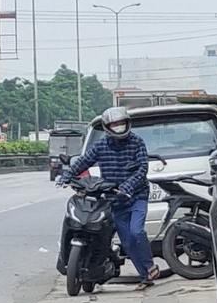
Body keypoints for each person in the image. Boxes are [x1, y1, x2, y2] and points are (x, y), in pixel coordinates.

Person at [59, 104, 156, 288]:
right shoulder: (101, 146)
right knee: (127, 241)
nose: (119, 127)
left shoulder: (137, 142)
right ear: (107, 127)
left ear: (128, 123)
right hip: (114, 200)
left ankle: (149, 264)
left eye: (121, 123)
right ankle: (146, 276)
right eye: (115, 124)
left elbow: (142, 168)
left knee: (137, 232)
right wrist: (66, 176)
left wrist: (127, 186)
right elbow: (84, 161)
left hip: (137, 196)